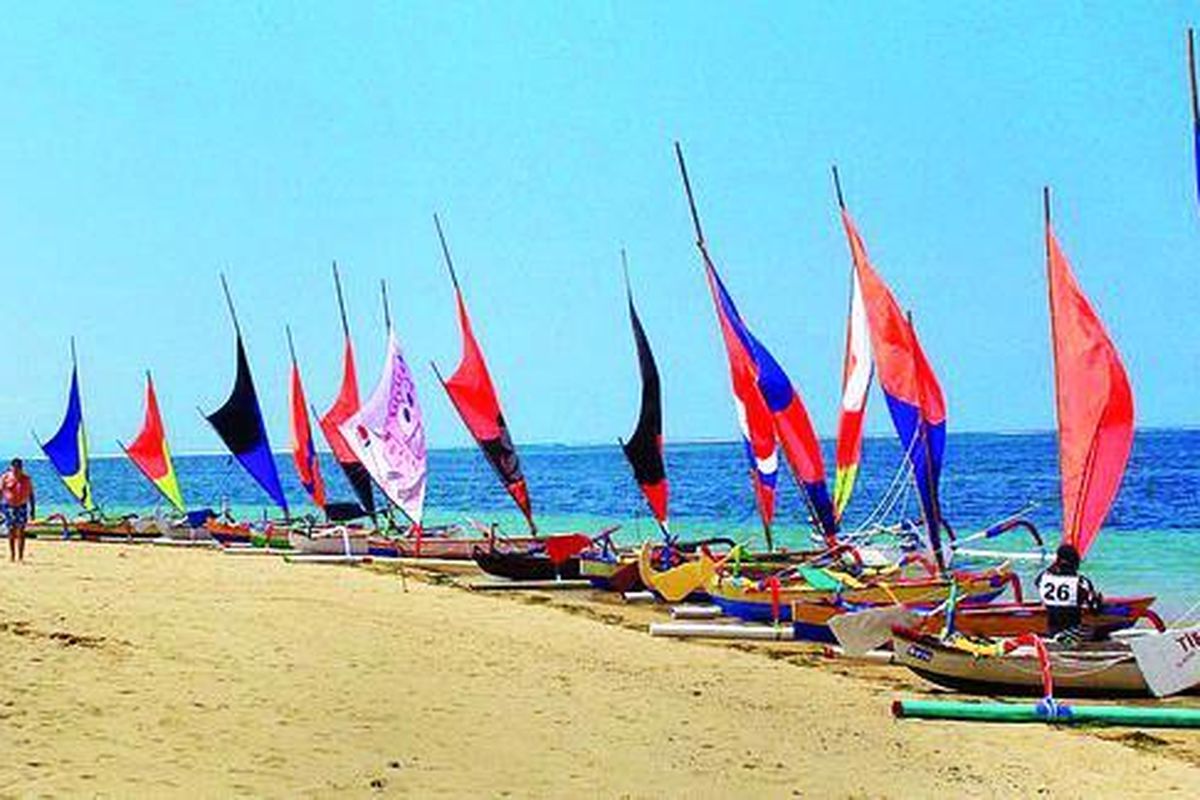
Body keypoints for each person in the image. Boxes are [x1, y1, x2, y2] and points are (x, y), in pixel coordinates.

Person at [1035, 543, 1102, 643]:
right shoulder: (1081, 582)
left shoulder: (1043, 578)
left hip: (1052, 631)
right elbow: (1095, 610)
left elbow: (1038, 582)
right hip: (1073, 632)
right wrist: (1099, 599)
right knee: (1107, 631)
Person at [1, 458, 35, 562]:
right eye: (15, 469)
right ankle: (12, 555)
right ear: (11, 468)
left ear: (21, 468)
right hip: (9, 506)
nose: (17, 471)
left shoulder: (26, 479)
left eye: (19, 469)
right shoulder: (5, 477)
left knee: (21, 531)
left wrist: (32, 510)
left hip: (22, 507)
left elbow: (31, 495)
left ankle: (20, 556)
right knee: (11, 531)